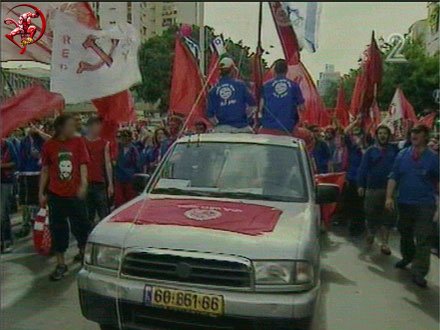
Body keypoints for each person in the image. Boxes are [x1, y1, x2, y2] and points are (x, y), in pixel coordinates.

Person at [386, 125, 439, 287]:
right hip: (405, 203)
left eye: (418, 133)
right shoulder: (402, 155)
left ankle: (419, 272)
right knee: (405, 232)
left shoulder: (433, 158)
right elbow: (394, 176)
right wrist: (389, 197)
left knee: (423, 238)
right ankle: (408, 256)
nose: (414, 135)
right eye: (412, 132)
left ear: (425, 136)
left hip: (425, 204)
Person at [39, 114, 91, 280]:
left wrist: (83, 184)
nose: (73, 128)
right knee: (58, 230)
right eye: (70, 125)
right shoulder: (49, 146)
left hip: (75, 194)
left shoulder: (78, 142)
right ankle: (61, 263)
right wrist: (41, 192)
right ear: (60, 127)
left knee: (81, 226)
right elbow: (46, 170)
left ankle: (83, 253)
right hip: (56, 195)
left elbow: (83, 164)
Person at [357, 125, 398, 254]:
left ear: (389, 136)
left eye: (385, 133)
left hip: (389, 190)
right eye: (380, 133)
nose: (382, 135)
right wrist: (360, 185)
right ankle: (371, 233)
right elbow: (362, 169)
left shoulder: (395, 150)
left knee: (388, 217)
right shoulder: (370, 151)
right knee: (371, 214)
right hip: (372, 189)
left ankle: (385, 243)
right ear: (376, 135)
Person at [207, 57, 256, 133]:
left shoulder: (213, 90)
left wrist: (219, 124)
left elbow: (210, 115)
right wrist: (245, 117)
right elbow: (253, 105)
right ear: (232, 69)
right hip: (242, 127)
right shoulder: (241, 85)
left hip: (221, 129)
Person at [16, 124, 49, 238]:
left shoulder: (42, 139)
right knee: (29, 202)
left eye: (35, 125)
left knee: (42, 200)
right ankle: (31, 224)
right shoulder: (24, 141)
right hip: (28, 174)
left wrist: (39, 132)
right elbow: (21, 157)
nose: (31, 128)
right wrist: (20, 171)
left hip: (42, 173)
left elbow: (51, 141)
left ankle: (44, 224)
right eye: (29, 126)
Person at [259, 58, 305, 136]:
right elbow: (302, 108)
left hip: (267, 128)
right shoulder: (294, 86)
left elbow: (260, 107)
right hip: (287, 129)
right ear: (286, 70)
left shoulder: (266, 85)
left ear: (274, 71)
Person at [83, 117, 113, 225]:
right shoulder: (81, 142)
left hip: (99, 182)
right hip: (85, 182)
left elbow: (107, 163)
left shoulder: (105, 143)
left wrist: (110, 184)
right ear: (90, 127)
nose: (100, 129)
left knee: (103, 212)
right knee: (87, 214)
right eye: (97, 126)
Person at [114, 128, 140, 208]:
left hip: (130, 178)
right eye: (122, 137)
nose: (124, 139)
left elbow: (137, 164)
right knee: (119, 200)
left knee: (129, 200)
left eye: (126, 137)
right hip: (119, 177)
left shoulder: (133, 150)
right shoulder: (117, 148)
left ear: (130, 138)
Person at [1, 138, 19, 253]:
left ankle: (7, 241)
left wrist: (1, 165)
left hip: (5, 182)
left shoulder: (7, 144)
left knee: (3, 212)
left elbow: (16, 162)